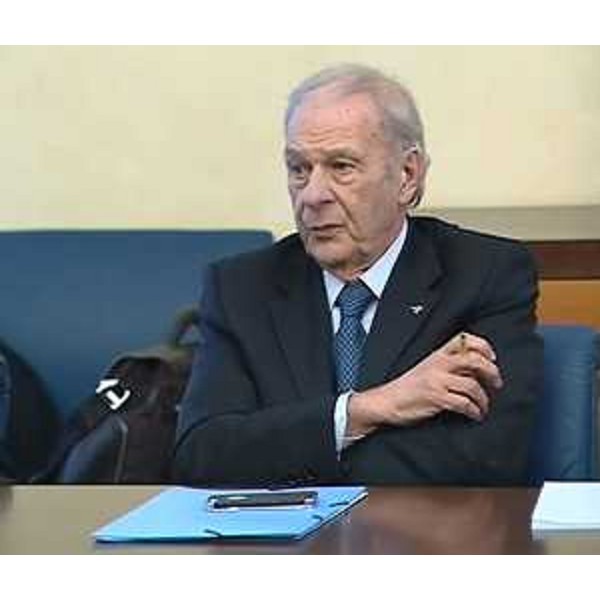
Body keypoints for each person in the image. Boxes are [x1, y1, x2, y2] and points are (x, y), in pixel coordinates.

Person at [173, 64, 542, 486]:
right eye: (299, 169)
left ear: (407, 176)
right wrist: (366, 409)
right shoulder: (242, 288)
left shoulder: (483, 275)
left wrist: (293, 447)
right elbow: (202, 456)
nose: (312, 195)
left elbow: (487, 458)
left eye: (342, 166)